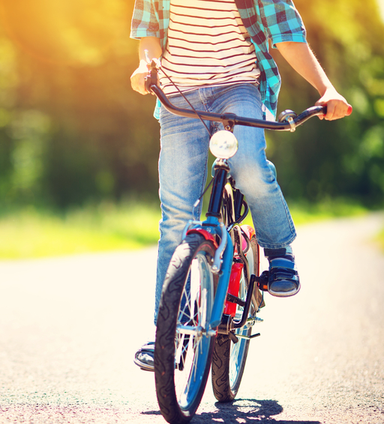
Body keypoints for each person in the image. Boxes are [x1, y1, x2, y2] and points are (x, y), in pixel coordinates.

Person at [129, 0, 352, 371]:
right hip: (178, 94)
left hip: (237, 88)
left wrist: (326, 88)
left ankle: (278, 249)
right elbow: (149, 31)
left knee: (248, 167)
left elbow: (286, 34)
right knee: (176, 217)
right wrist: (145, 64)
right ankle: (167, 337)